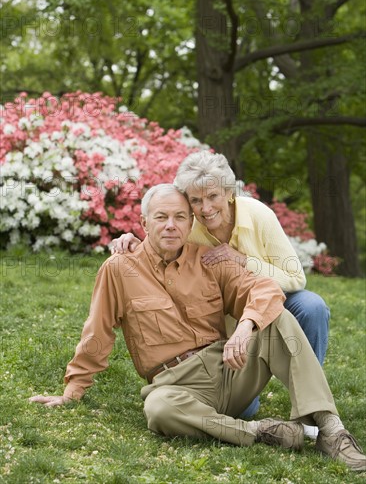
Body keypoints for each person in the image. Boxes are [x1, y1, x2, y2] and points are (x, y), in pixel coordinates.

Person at [30, 184, 365, 472]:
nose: (171, 226)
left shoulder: (209, 259)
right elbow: (97, 332)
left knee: (278, 318)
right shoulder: (119, 269)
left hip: (230, 367)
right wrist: (73, 391)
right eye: (161, 217)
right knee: (159, 409)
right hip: (178, 386)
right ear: (144, 222)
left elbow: (265, 290)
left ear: (190, 222)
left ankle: (330, 430)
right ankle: (262, 430)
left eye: (179, 217)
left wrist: (246, 326)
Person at [111, 151, 330, 423]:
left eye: (213, 196)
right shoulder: (189, 228)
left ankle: (311, 405)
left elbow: (295, 278)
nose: (205, 208)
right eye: (196, 200)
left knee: (312, 306)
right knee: (245, 411)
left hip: (266, 302)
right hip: (221, 329)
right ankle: (243, 384)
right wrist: (129, 238)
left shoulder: (259, 215)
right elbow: (159, 236)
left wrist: (243, 260)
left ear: (229, 192)